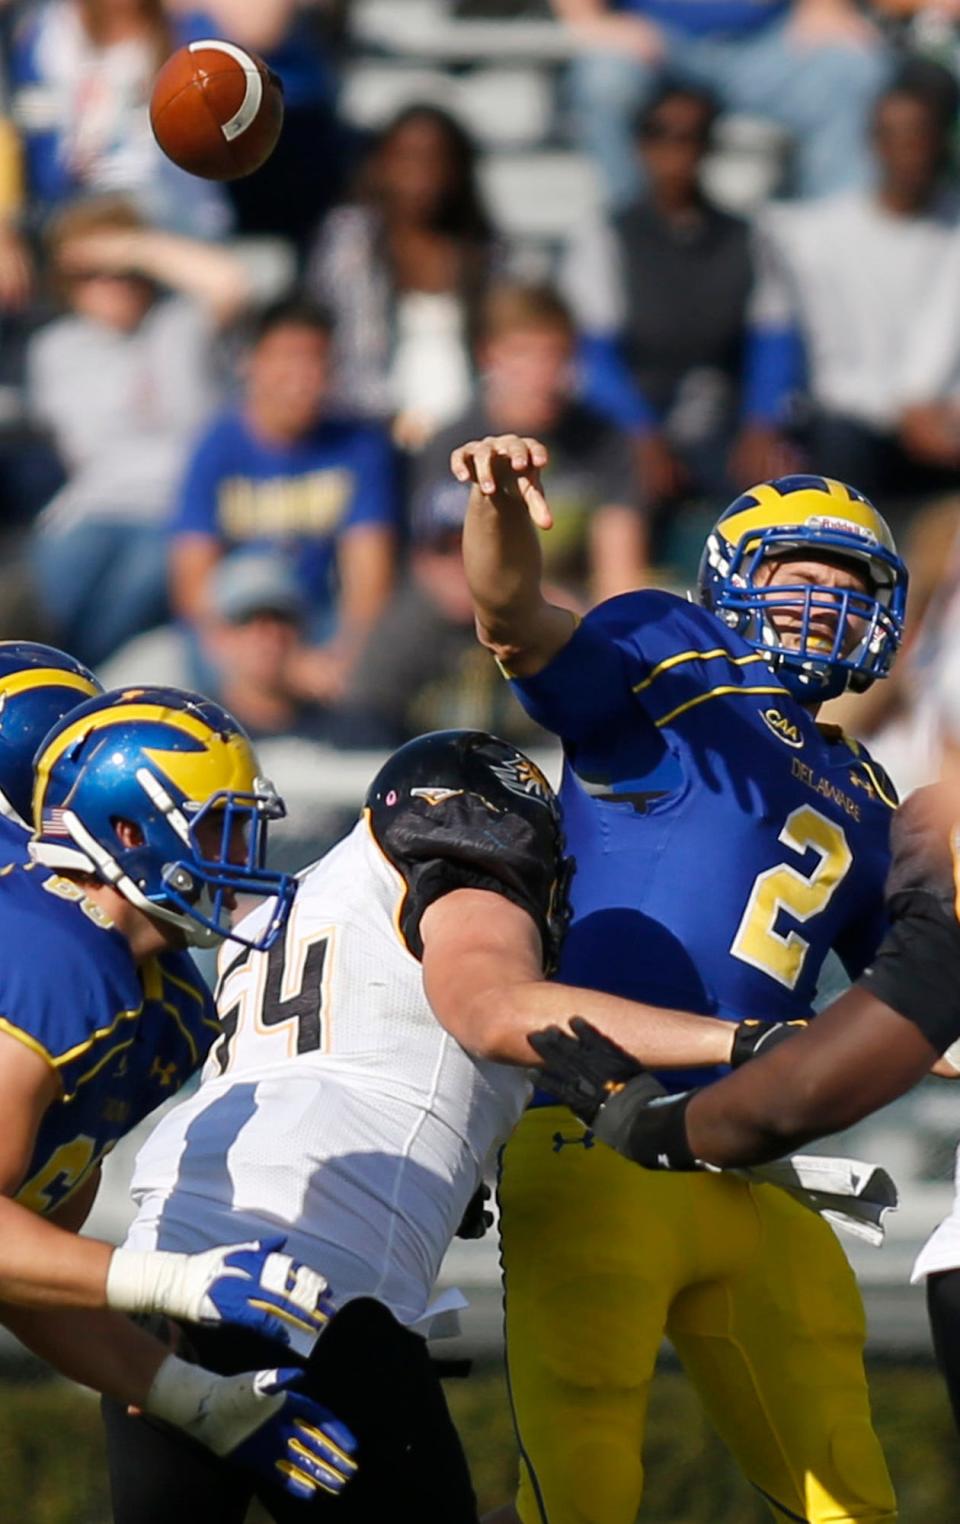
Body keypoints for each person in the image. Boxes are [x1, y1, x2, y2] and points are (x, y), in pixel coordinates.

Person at [97, 727, 798, 1523]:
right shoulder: (458, 872)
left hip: (163, 1273)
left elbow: (358, 1051)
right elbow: (495, 1011)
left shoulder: (291, 909)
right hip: (316, 1278)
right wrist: (751, 1042)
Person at [455, 443, 909, 1524]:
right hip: (597, 1125)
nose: (827, 602)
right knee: (586, 1471)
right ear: (736, 576)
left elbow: (912, 1003)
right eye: (803, 574)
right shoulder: (672, 655)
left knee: (851, 1485)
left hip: (750, 1160)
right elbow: (513, 614)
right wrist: (499, 514)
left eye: (851, 586)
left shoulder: (866, 790)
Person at [0, 682, 356, 1505]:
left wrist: (191, 1399)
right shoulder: (59, 961)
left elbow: (27, 1267)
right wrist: (173, 1282)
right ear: (128, 832)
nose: (242, 857)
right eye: (218, 828)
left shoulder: (162, 1009)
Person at [27, 194, 264, 667]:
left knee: (137, 581)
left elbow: (232, 284)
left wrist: (132, 247)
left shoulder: (182, 324)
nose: (110, 284)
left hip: (176, 509)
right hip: (93, 508)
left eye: (121, 271)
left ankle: (70, 687)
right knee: (42, 589)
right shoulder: (55, 348)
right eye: (90, 274)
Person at [565, 82, 791, 541]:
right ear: (640, 145)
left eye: (693, 136)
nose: (676, 150)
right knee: (625, 488)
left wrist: (762, 424)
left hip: (722, 421)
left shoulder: (746, 237)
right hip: (632, 424)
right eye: (661, 134)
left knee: (780, 490)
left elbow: (775, 342)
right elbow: (594, 357)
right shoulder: (606, 236)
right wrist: (640, 432)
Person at [169, 297, 399, 710]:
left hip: (317, 617)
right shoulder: (216, 445)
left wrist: (342, 655)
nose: (302, 377)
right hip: (238, 620)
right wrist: (264, 661)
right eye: (287, 359)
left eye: (316, 361)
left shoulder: (359, 446)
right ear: (251, 363)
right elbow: (194, 582)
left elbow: (368, 579)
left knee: (368, 671)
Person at [747, 69, 960, 503]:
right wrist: (761, 422)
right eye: (894, 136)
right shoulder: (813, 235)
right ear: (873, 142)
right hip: (851, 432)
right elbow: (777, 333)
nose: (909, 151)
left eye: (919, 135)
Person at [412, 281, 648, 604]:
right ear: (487, 355)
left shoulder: (603, 442)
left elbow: (620, 574)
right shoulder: (454, 447)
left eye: (555, 354)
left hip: (573, 618)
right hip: (472, 620)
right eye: (523, 353)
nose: (543, 374)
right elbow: (444, 572)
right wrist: (536, 611)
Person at [552, 0, 889, 210]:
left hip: (765, 43)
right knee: (605, 81)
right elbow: (589, 25)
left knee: (852, 70)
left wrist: (823, 6)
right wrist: (589, 19)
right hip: (653, 40)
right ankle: (631, 236)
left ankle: (835, 247)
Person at [305, 104, 498, 443]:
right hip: (369, 431)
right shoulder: (350, 243)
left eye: (437, 160)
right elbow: (330, 347)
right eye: (407, 158)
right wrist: (386, 419)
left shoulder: (486, 253)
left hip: (468, 439)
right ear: (381, 164)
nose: (422, 175)